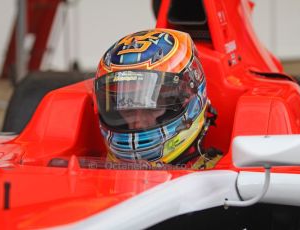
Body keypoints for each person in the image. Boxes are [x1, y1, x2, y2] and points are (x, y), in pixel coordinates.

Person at [94, 29, 221, 169]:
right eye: (127, 107)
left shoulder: (222, 175)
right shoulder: (94, 163)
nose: (137, 123)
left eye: (150, 108)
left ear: (190, 99)